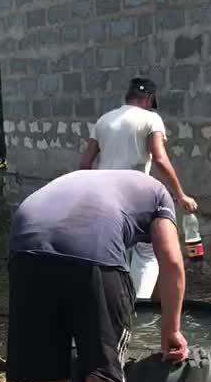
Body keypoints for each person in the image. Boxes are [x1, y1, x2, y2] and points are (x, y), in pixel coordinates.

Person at [7, 169, 188, 382]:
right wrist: (171, 328)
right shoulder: (160, 193)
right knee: (103, 374)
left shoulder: (86, 180)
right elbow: (172, 262)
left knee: (45, 376)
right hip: (92, 253)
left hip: (27, 248)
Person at [79, 77, 198, 298]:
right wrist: (181, 195)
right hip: (134, 196)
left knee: (117, 250)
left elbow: (85, 164)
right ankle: (137, 308)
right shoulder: (151, 119)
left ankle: (115, 303)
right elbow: (160, 159)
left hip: (103, 195)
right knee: (147, 252)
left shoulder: (103, 120)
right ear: (149, 98)